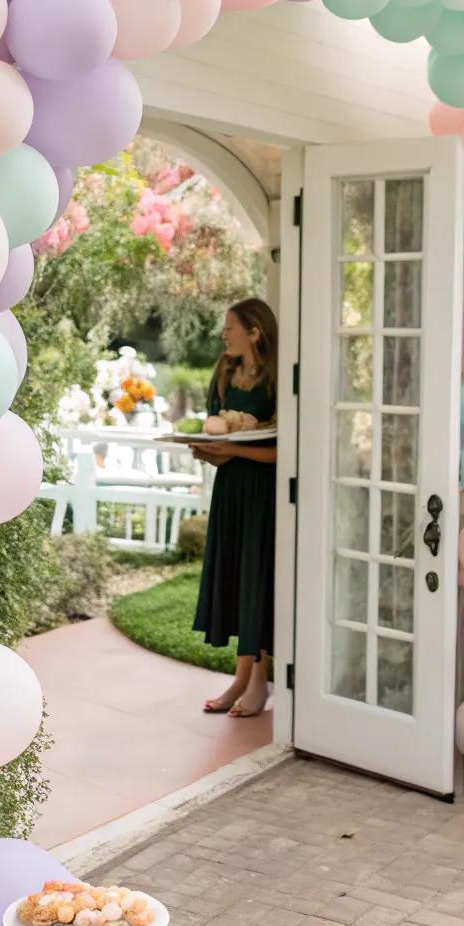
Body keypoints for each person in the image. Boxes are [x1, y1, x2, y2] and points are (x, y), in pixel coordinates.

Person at [191, 298, 277, 718]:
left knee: (257, 577)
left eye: (231, 328)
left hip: (265, 491)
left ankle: (258, 681)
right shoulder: (224, 374)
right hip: (231, 489)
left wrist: (232, 452)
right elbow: (221, 443)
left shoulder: (276, 378)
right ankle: (241, 677)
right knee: (238, 576)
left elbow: (285, 452)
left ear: (255, 331)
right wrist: (207, 452)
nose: (224, 335)